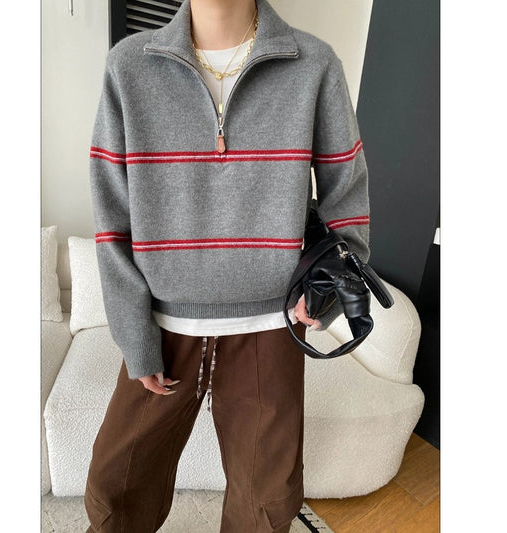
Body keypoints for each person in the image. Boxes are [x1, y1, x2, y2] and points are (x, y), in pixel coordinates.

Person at [84, 0, 370, 531]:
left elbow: (346, 195)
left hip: (272, 327)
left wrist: (327, 289)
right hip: (164, 326)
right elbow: (112, 217)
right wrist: (133, 335)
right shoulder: (129, 66)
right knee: (115, 489)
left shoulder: (314, 64)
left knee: (266, 501)